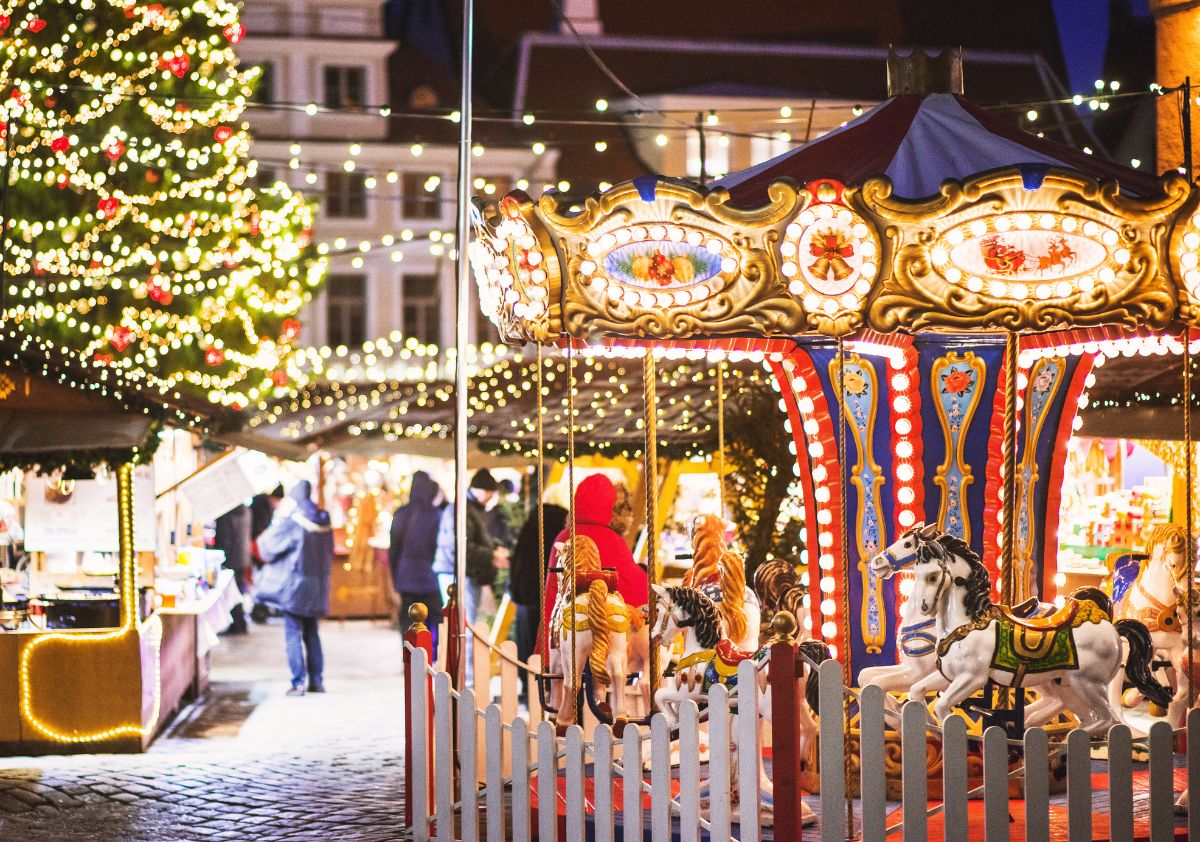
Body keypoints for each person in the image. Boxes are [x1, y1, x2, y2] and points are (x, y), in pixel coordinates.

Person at [541, 474, 648, 649]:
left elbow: (553, 589)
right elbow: (632, 585)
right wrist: (645, 574)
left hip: (562, 628)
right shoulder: (612, 540)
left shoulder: (564, 536)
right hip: (600, 634)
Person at [255, 481, 335, 697]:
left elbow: (268, 547)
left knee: (293, 633)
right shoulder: (325, 520)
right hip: (319, 584)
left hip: (296, 586)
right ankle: (317, 681)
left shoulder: (294, 521)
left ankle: (298, 683)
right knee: (312, 632)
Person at [508, 480, 568, 695]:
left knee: (525, 639)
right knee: (545, 639)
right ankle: (546, 687)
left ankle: (527, 686)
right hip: (545, 588)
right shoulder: (562, 525)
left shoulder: (533, 520)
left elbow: (518, 556)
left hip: (524, 588)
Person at [433, 469, 504, 625]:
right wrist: (492, 554)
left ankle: (464, 650)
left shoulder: (471, 508)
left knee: (464, 623)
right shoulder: (462, 509)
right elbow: (461, 547)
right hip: (458, 573)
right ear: (481, 490)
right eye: (490, 494)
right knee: (464, 624)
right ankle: (464, 651)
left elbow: (478, 538)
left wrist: (495, 548)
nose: (490, 499)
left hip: (463, 572)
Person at [389, 471, 446, 652]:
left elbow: (393, 550)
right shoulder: (436, 515)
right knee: (435, 619)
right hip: (430, 577)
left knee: (408, 621)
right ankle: (433, 656)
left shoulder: (400, 514)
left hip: (405, 578)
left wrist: (395, 579)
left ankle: (410, 658)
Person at [211, 504, 251, 634]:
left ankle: (236, 624)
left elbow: (224, 538)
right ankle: (240, 623)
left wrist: (217, 555)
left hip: (230, 557)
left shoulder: (227, 513)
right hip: (242, 556)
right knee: (238, 590)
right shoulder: (245, 510)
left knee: (232, 592)